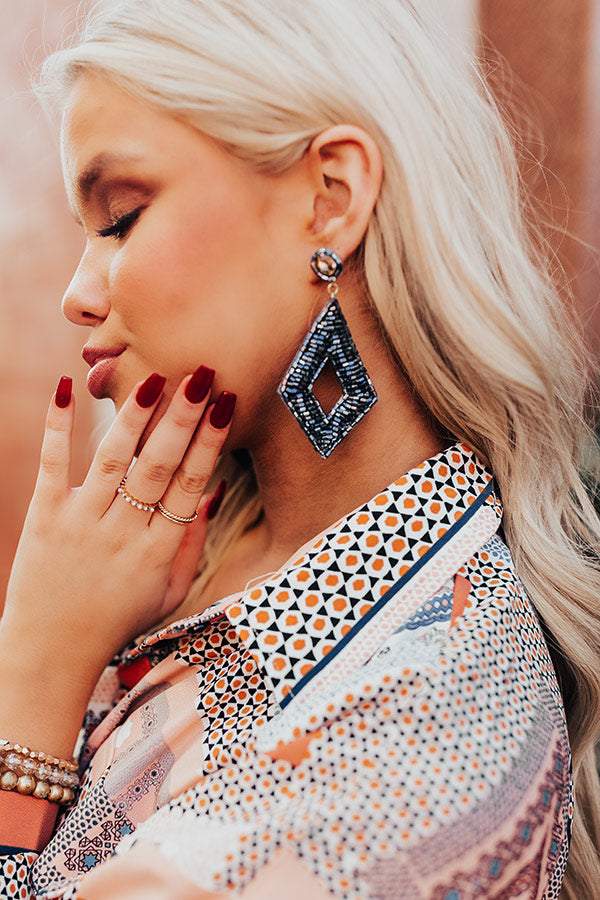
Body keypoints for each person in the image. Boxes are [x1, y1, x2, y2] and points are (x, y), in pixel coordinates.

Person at [0, 0, 599, 897]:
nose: (78, 297)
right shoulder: (175, 564)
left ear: (331, 198)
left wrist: (33, 679)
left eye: (121, 215)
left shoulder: (421, 724)